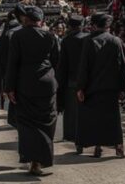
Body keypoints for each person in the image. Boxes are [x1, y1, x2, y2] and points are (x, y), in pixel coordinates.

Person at [4, 5, 59, 176]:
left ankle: (33, 161)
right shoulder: (51, 36)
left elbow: (12, 63)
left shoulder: (17, 36)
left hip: (25, 83)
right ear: (40, 21)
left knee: (27, 123)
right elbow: (57, 61)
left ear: (25, 19)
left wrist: (9, 88)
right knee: (46, 121)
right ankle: (41, 160)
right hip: (47, 84)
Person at [76, 13, 125, 159]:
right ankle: (119, 147)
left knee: (95, 119)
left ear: (94, 25)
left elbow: (84, 67)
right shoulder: (115, 41)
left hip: (92, 88)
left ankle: (98, 148)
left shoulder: (88, 41)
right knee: (113, 119)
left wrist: (80, 87)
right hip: (110, 88)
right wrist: (123, 88)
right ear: (107, 25)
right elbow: (121, 67)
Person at [56, 14, 89, 151]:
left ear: (70, 26)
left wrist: (59, 85)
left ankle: (76, 140)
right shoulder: (88, 39)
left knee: (72, 113)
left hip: (71, 82)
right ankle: (87, 138)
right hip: (88, 82)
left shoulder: (66, 41)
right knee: (86, 112)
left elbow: (62, 65)